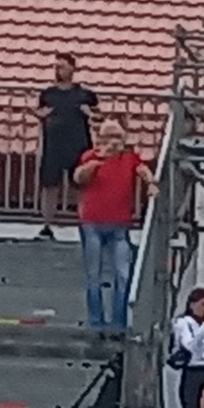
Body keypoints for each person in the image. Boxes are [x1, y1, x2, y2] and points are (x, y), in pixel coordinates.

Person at [77, 119, 146, 336]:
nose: (112, 142)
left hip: (120, 224)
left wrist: (151, 183)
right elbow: (79, 177)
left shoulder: (129, 158)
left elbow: (143, 170)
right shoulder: (91, 156)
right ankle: (96, 322)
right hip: (93, 223)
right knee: (94, 275)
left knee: (123, 274)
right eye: (108, 137)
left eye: (116, 137)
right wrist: (96, 162)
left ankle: (118, 322)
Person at [37, 54, 97, 205]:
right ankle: (47, 224)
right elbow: (38, 112)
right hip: (53, 145)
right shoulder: (48, 94)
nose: (58, 71)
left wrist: (90, 113)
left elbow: (99, 116)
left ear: (72, 68)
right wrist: (41, 115)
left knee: (80, 184)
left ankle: (83, 222)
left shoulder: (85, 95)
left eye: (61, 67)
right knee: (49, 185)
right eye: (56, 67)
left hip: (79, 144)